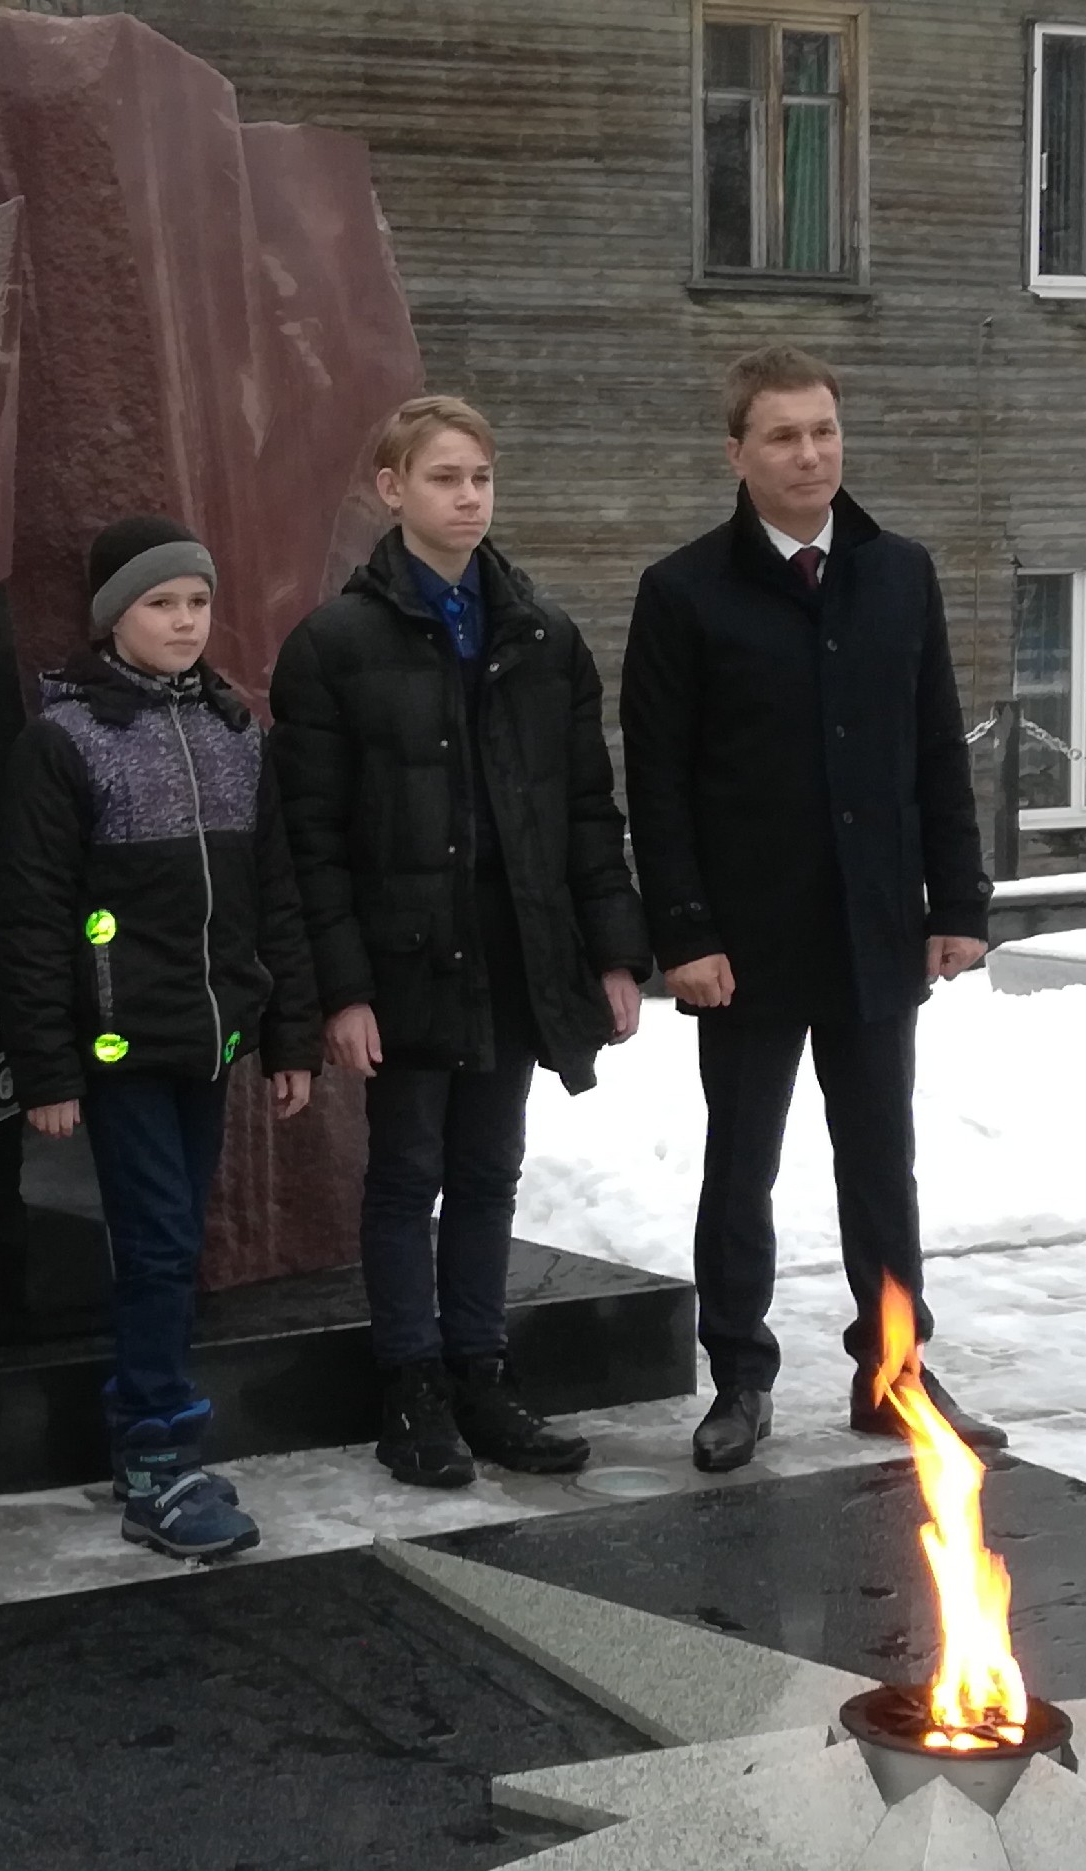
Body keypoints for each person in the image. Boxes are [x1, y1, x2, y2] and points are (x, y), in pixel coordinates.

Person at [619, 345, 1007, 1476]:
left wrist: (958, 899)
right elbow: (659, 777)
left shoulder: (899, 574)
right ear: (735, 452)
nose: (810, 454)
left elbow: (936, 745)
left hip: (877, 926)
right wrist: (683, 931)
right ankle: (738, 1377)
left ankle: (893, 1373)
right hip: (743, 944)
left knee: (879, 1161)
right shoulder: (684, 592)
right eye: (783, 436)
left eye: (824, 431)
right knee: (741, 1166)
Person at [271, 398, 651, 1490]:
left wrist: (611, 952)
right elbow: (313, 839)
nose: (468, 497)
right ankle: (412, 1385)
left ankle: (482, 1372)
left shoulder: (540, 634)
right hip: (402, 961)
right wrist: (342, 991)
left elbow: (586, 806)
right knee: (408, 1174)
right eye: (444, 478)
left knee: (490, 1170)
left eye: (480, 476)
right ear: (391, 491)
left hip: (515, 954)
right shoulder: (334, 645)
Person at [0, 516, 321, 1559]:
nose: (183, 622)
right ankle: (152, 1453)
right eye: (158, 604)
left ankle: (162, 1427)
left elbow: (276, 894)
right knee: (158, 1243)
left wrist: (288, 1036)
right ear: (111, 619)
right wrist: (47, 1062)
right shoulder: (67, 741)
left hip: (209, 1040)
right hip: (121, 1048)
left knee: (178, 1240)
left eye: (196, 603)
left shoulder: (235, 732)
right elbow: (36, 916)